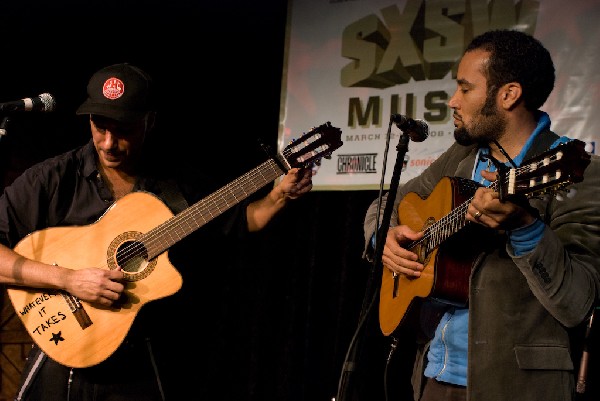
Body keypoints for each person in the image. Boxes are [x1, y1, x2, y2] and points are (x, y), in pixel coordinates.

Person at [0, 62, 314, 401]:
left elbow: (241, 221)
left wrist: (278, 196)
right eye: (99, 127)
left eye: (122, 130)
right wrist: (67, 280)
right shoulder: (51, 179)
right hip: (64, 355)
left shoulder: (177, 182)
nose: (108, 143)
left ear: (148, 120)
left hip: (145, 362)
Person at [363, 29, 600, 401]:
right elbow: (389, 203)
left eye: (465, 88)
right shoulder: (460, 158)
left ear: (508, 94)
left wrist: (524, 227)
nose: (453, 101)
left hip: (516, 387)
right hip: (432, 379)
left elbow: (578, 302)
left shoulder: (581, 172)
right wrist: (384, 237)